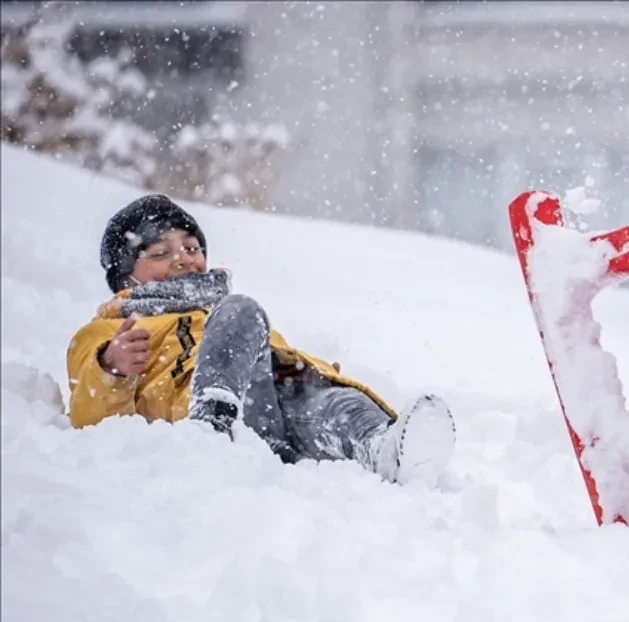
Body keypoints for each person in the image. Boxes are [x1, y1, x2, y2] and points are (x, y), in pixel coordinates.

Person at [66, 194, 456, 484]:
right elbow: (88, 417)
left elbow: (271, 352)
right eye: (161, 252)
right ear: (125, 275)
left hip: (270, 412)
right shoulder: (107, 330)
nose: (183, 258)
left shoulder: (219, 312)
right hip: (210, 419)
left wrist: (313, 372)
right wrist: (111, 368)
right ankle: (212, 426)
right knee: (241, 310)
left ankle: (384, 449)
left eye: (191, 247)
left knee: (337, 402)